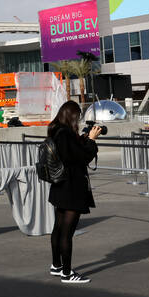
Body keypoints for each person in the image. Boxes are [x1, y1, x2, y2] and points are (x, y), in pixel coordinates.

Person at [47, 101, 101, 284]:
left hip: (59, 186)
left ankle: (57, 266)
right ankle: (67, 273)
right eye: (77, 116)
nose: (78, 120)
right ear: (71, 116)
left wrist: (83, 138)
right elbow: (83, 157)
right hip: (71, 188)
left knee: (58, 227)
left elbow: (71, 152)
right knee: (67, 233)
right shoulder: (66, 134)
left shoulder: (56, 130)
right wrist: (92, 141)